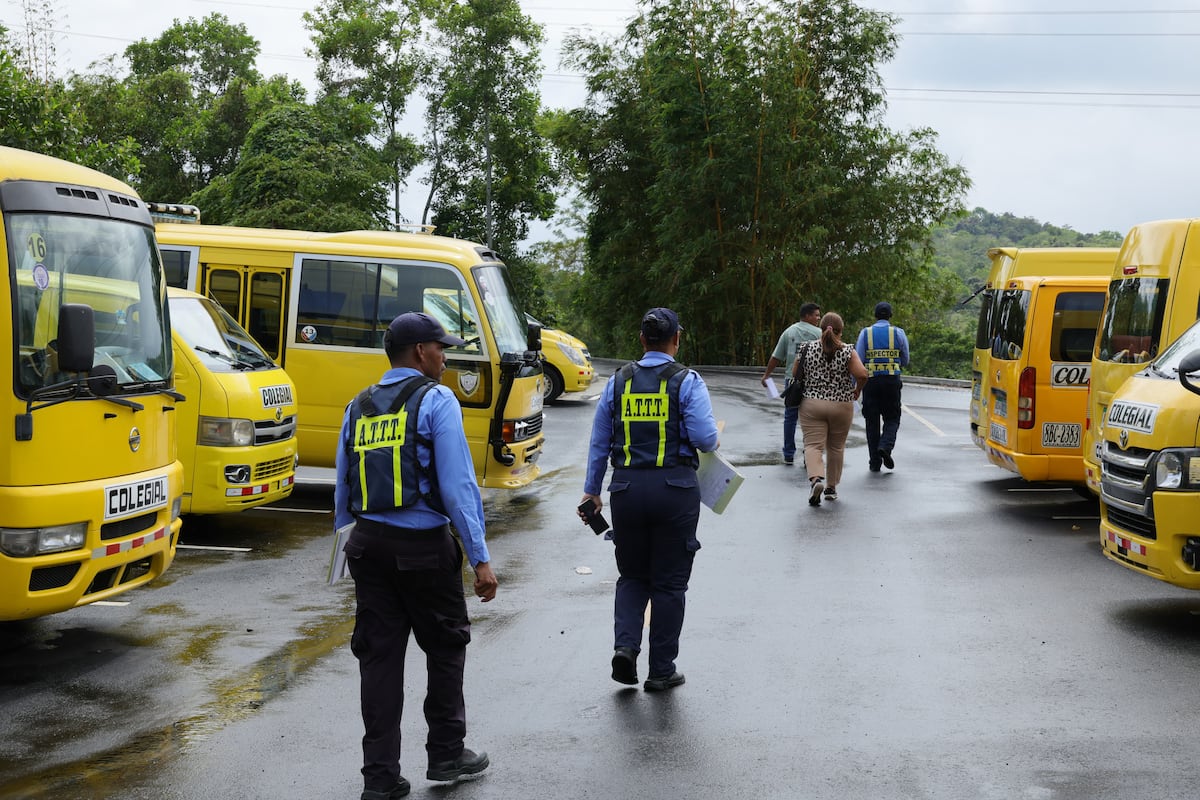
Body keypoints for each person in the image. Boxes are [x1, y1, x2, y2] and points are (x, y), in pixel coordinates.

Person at [334, 311, 498, 800]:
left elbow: (344, 490)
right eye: (440, 349)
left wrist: (344, 554)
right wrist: (480, 558)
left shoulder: (357, 406)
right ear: (420, 352)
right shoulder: (436, 399)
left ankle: (380, 778)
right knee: (446, 648)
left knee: (379, 661)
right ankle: (447, 754)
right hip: (423, 550)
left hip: (368, 546)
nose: (445, 359)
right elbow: (458, 486)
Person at [580, 307, 720, 692]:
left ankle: (626, 647)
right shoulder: (686, 382)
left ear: (642, 340)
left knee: (632, 576)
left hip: (626, 490)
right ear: (677, 339)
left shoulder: (618, 382)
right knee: (670, 583)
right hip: (675, 491)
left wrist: (592, 491)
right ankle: (662, 669)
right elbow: (707, 439)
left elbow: (599, 443)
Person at [797, 312, 869, 506]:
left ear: (820, 328)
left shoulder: (806, 348)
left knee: (813, 445)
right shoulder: (848, 350)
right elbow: (862, 374)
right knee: (836, 447)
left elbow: (796, 373)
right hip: (841, 404)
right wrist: (857, 391)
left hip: (812, 403)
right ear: (841, 330)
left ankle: (815, 480)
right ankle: (831, 488)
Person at [760, 302, 822, 464]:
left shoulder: (789, 332)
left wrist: (767, 375)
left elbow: (776, 357)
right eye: (816, 315)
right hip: (814, 381)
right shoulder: (819, 334)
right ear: (807, 316)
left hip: (792, 381)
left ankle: (788, 454)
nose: (818, 318)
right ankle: (809, 454)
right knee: (812, 419)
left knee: (790, 417)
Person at [855, 301, 911, 472]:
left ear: (875, 315)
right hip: (891, 382)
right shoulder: (898, 333)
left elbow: (858, 360)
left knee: (872, 422)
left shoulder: (866, 333)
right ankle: (885, 447)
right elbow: (906, 360)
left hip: (870, 383)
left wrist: (854, 387)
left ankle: (874, 462)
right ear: (890, 316)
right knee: (892, 418)